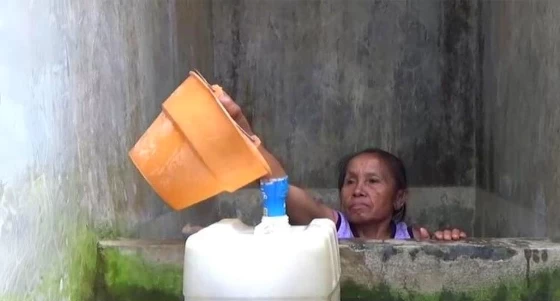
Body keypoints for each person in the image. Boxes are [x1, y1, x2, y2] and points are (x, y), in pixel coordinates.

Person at [192, 85, 467, 241]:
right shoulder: (334, 228)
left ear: (399, 198)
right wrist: (244, 133)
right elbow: (278, 187)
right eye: (350, 181)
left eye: (373, 181)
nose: (358, 190)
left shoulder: (416, 238)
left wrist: (448, 241)